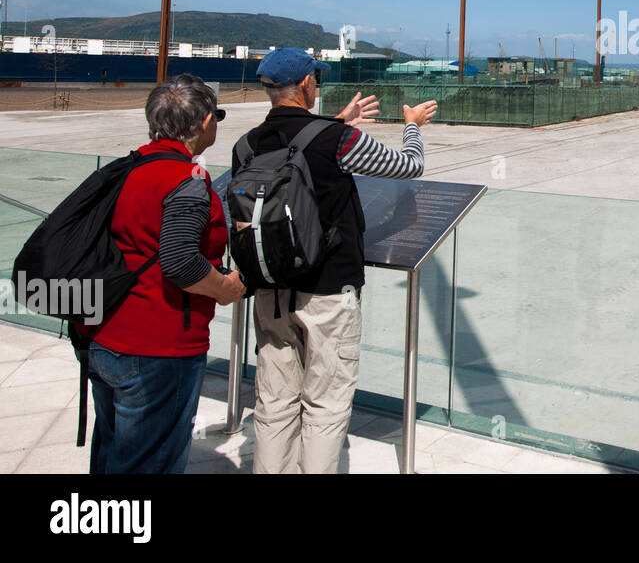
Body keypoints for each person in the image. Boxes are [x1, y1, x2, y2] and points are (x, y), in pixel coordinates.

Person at [234, 47, 436, 474]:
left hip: (270, 289)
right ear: (308, 83)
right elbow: (410, 167)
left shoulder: (245, 145)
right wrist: (412, 126)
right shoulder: (339, 140)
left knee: (273, 402)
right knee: (325, 403)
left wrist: (335, 122)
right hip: (329, 291)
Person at [78, 74, 245, 474]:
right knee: (150, 460)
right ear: (205, 123)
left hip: (104, 333)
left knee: (115, 449)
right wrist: (226, 287)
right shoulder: (185, 180)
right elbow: (180, 262)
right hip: (158, 344)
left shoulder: (129, 167)